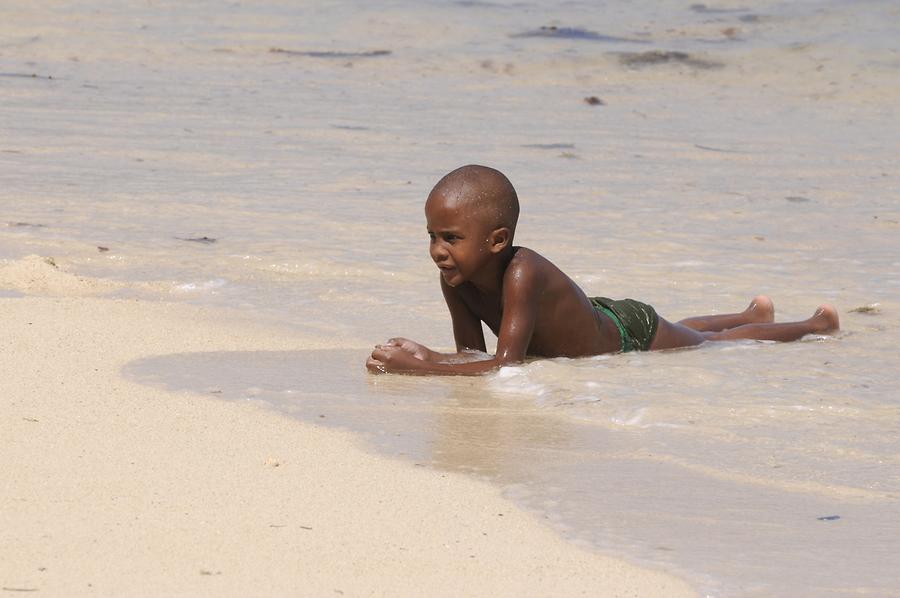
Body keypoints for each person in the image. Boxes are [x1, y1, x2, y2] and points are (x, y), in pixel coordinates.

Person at [366, 165, 839, 375]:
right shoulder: (457, 281)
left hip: (627, 332)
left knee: (710, 345)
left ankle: (815, 324)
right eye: (432, 236)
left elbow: (506, 365)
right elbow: (473, 357)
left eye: (451, 238)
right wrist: (428, 355)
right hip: (599, 315)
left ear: (497, 241)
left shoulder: (521, 273)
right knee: (687, 330)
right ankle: (749, 309)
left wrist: (419, 369)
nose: (437, 250)